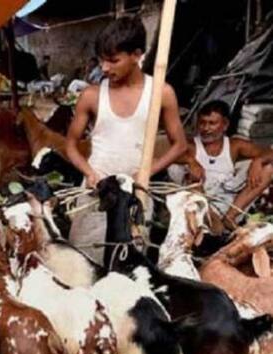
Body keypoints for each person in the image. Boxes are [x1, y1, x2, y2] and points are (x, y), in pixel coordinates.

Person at [65, 16, 187, 261]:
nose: (105, 68)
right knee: (83, 264)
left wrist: (146, 172)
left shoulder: (161, 93)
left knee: (128, 266)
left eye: (113, 60)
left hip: (137, 196)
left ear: (137, 55)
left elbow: (180, 145)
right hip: (95, 196)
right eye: (102, 60)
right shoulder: (91, 95)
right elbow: (70, 145)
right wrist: (89, 172)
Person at [171, 100, 273, 228]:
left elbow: (269, 152)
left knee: (267, 168)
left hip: (229, 203)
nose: (206, 128)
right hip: (200, 205)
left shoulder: (234, 145)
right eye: (202, 123)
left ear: (225, 125)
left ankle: (230, 218)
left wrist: (258, 161)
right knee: (185, 173)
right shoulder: (191, 145)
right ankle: (211, 221)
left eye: (212, 123)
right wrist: (191, 161)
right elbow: (167, 156)